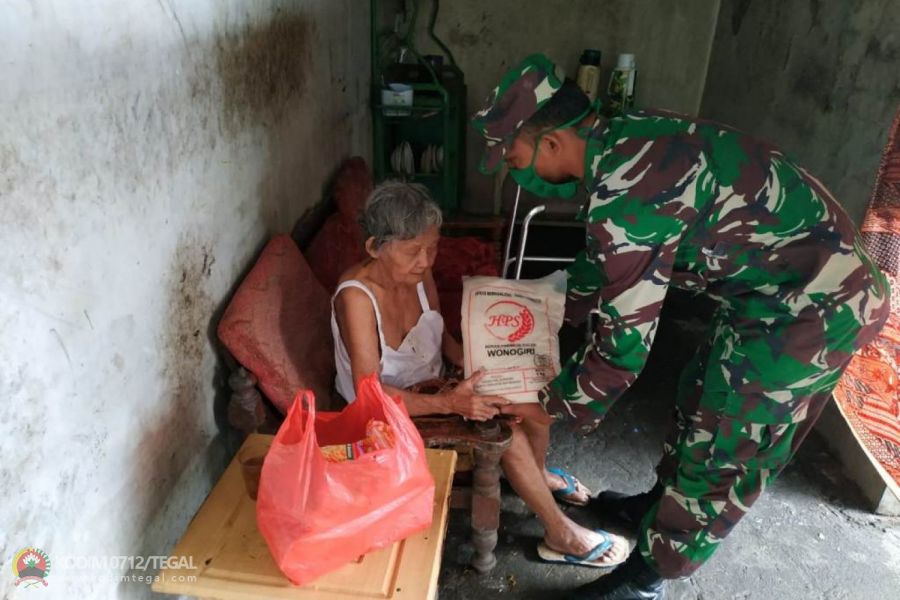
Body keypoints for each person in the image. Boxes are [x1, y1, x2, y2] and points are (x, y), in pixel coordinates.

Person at [471, 54, 890, 599]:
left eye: (515, 154)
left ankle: (649, 578)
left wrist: (548, 404)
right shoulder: (622, 140)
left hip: (815, 311)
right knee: (699, 393)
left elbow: (621, 350)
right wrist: (536, 309)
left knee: (723, 443)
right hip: (769, 295)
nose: (513, 169)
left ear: (551, 143)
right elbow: (603, 265)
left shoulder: (627, 191)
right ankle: (658, 508)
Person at [330, 181, 628, 567]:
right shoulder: (357, 297)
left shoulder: (417, 275)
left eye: (432, 246)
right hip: (386, 411)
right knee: (512, 435)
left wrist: (486, 368)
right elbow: (369, 393)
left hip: (438, 387)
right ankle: (560, 532)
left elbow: (441, 336)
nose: (426, 260)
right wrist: (452, 402)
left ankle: (536, 476)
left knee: (536, 406)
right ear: (374, 247)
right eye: (413, 250)